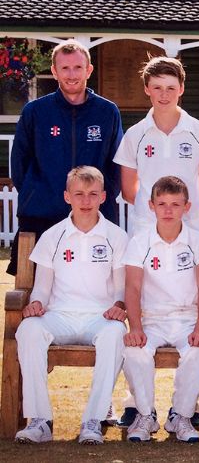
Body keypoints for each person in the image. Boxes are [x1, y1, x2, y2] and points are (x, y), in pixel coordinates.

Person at [13, 166, 128, 445]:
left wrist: (119, 305)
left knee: (115, 334)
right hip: (60, 316)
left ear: (103, 196)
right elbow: (42, 286)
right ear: (67, 197)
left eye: (92, 194)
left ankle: (94, 419)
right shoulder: (53, 236)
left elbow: (122, 287)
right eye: (79, 194)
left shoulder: (117, 237)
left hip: (99, 317)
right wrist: (37, 303)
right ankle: (40, 421)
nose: (85, 201)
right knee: (28, 329)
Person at [9, 38, 123, 275]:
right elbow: (19, 164)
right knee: (34, 288)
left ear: (89, 70)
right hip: (41, 215)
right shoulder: (35, 112)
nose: (72, 75)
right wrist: (38, 194)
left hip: (95, 215)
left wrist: (99, 198)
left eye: (78, 67)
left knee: (95, 284)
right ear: (54, 71)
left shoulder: (107, 111)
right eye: (65, 68)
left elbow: (116, 164)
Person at [121, 176, 199, 443]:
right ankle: (145, 415)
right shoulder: (140, 241)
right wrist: (136, 327)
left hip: (187, 317)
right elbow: (133, 288)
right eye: (162, 203)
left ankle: (181, 416)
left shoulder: (198, 241)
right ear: (151, 205)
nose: (168, 210)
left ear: (187, 207)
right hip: (151, 318)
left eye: (175, 204)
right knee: (134, 350)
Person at [114, 56, 199, 233]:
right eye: (157, 88)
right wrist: (154, 215)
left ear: (181, 89)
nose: (164, 95)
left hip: (189, 229)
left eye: (171, 88)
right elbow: (129, 191)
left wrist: (191, 217)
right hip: (146, 230)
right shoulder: (134, 135)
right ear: (146, 89)